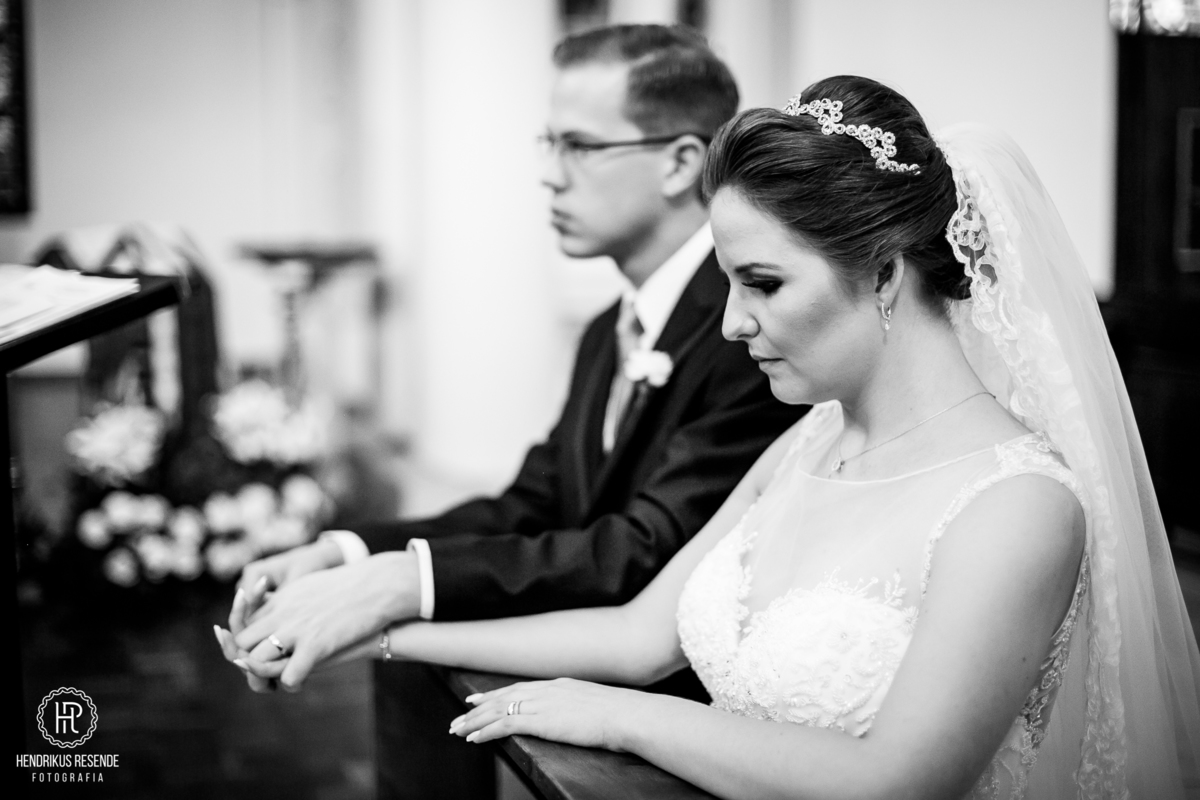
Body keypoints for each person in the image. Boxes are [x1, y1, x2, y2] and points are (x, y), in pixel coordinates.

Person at [226, 76, 1200, 797]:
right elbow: (636, 632)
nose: (731, 324)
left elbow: (896, 779)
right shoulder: (806, 441)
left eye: (763, 284)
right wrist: (378, 632)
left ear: (887, 274)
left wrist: (625, 717)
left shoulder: (1019, 503)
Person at [218, 24, 803, 692]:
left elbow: (645, 551)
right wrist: (346, 552)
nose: (550, 175)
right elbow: (535, 502)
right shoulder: (605, 331)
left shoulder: (751, 332)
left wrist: (401, 585)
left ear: (679, 163)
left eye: (580, 146)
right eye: (549, 144)